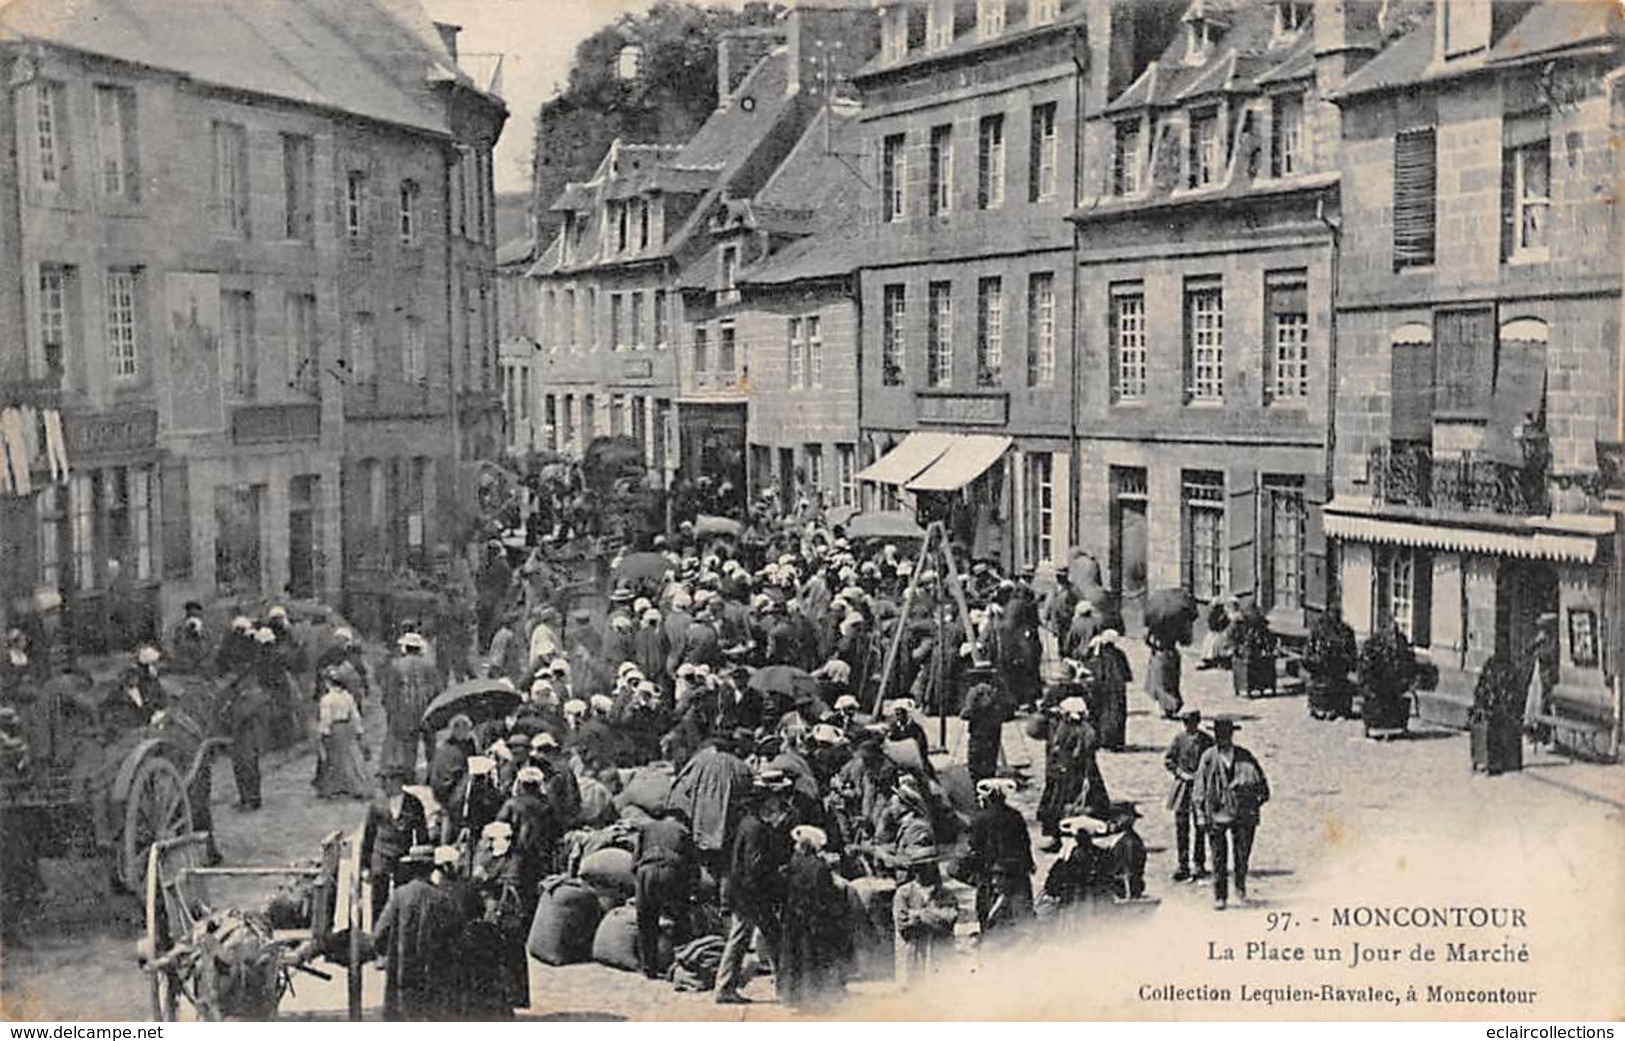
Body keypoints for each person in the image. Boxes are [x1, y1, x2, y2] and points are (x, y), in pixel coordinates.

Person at [714, 777, 792, 1005]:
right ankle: (785, 990)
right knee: (774, 939)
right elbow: (755, 866)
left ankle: (725, 986)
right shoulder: (757, 828)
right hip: (753, 894)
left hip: (743, 891)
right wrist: (777, 876)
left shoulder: (748, 822)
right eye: (776, 799)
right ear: (766, 800)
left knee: (739, 939)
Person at [374, 845, 467, 1021]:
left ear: (411, 869)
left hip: (402, 978)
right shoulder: (443, 898)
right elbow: (458, 937)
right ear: (432, 869)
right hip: (435, 978)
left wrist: (387, 955)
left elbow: (379, 935)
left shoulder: (398, 896)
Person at [1193, 717, 1270, 909]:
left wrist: (1253, 801)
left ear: (1231, 735)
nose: (1222, 738)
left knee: (1242, 854)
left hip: (1243, 814)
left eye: (1226, 734)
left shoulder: (1245, 756)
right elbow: (1199, 788)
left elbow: (1262, 787)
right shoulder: (1209, 757)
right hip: (1217, 813)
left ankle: (1240, 887)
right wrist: (1201, 814)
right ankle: (1220, 896)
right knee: (1218, 857)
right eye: (1219, 734)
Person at [776, 825, 846, 1010]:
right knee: (812, 959)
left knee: (794, 957)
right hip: (815, 919)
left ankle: (792, 997)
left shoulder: (793, 864)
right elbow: (826, 896)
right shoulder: (820, 867)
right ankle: (813, 998)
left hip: (793, 917)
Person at [960, 778, 1033, 936]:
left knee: (990, 915)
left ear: (987, 798)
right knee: (1020, 918)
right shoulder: (1015, 816)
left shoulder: (980, 819)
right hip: (1017, 874)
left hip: (991, 876)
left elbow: (974, 847)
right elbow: (1025, 844)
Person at [633, 806, 697, 979]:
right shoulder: (683, 831)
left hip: (645, 871)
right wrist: (692, 891)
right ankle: (679, 966)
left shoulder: (646, 828)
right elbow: (693, 866)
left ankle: (649, 968)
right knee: (679, 920)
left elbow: (634, 862)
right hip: (672, 871)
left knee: (646, 920)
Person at [1036, 697, 1107, 853]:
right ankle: (1057, 836)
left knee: (1067, 804)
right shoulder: (1067, 727)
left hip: (1075, 773)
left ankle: (1075, 838)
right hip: (1063, 772)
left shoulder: (1083, 731)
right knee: (1057, 804)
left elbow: (1085, 753)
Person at [361, 771, 431, 920]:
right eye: (386, 780)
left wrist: (422, 861)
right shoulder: (377, 804)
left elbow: (422, 833)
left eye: (392, 780)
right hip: (381, 856)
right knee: (378, 899)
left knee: (404, 896)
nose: (388, 784)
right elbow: (369, 836)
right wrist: (365, 866)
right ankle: (378, 930)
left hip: (403, 856)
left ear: (400, 783)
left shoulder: (413, 803)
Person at [381, 631, 439, 780]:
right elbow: (438, 689)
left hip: (406, 710)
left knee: (409, 745)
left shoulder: (397, 666)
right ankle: (432, 773)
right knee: (430, 744)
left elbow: (390, 691)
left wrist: (391, 710)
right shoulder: (429, 665)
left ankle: (409, 774)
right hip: (427, 709)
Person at [1163, 708, 1213, 883]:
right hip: (1182, 788)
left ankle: (1199, 863)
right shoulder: (1179, 739)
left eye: (1191, 722)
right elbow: (1168, 760)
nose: (1188, 725)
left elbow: (1213, 761)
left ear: (1197, 722)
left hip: (1200, 788)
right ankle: (1182, 864)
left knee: (1201, 826)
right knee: (1181, 827)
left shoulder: (1207, 740)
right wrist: (1180, 773)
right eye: (1185, 722)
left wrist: (1201, 776)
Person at [893, 857, 958, 988]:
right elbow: (903, 925)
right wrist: (934, 915)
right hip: (911, 954)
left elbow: (948, 922)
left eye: (927, 866)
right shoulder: (903, 893)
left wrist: (918, 915)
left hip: (938, 954)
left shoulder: (946, 894)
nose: (921, 871)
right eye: (918, 867)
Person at [315, 667, 371, 799]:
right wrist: (359, 731)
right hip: (348, 727)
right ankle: (355, 786)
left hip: (335, 728)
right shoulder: (347, 696)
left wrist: (323, 732)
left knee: (333, 758)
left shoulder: (327, 699)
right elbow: (355, 715)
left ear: (328, 683)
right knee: (351, 757)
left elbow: (326, 718)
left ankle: (334, 788)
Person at [1082, 630, 1131, 752]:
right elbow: (1127, 675)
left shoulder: (1096, 657)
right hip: (1117, 690)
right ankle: (1114, 742)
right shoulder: (1119, 654)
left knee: (1099, 714)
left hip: (1099, 689)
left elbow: (1088, 670)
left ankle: (1099, 740)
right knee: (1116, 716)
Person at [960, 680, 1005, 783]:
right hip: (993, 734)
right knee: (990, 763)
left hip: (977, 734)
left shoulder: (974, 692)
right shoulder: (997, 691)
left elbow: (965, 714)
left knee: (975, 765)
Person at [168, 601, 212, 675]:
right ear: (187, 613)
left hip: (200, 665)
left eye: (196, 614)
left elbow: (208, 646)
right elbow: (175, 644)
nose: (193, 616)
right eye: (191, 614)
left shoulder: (205, 629)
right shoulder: (179, 627)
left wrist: (199, 634)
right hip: (182, 664)